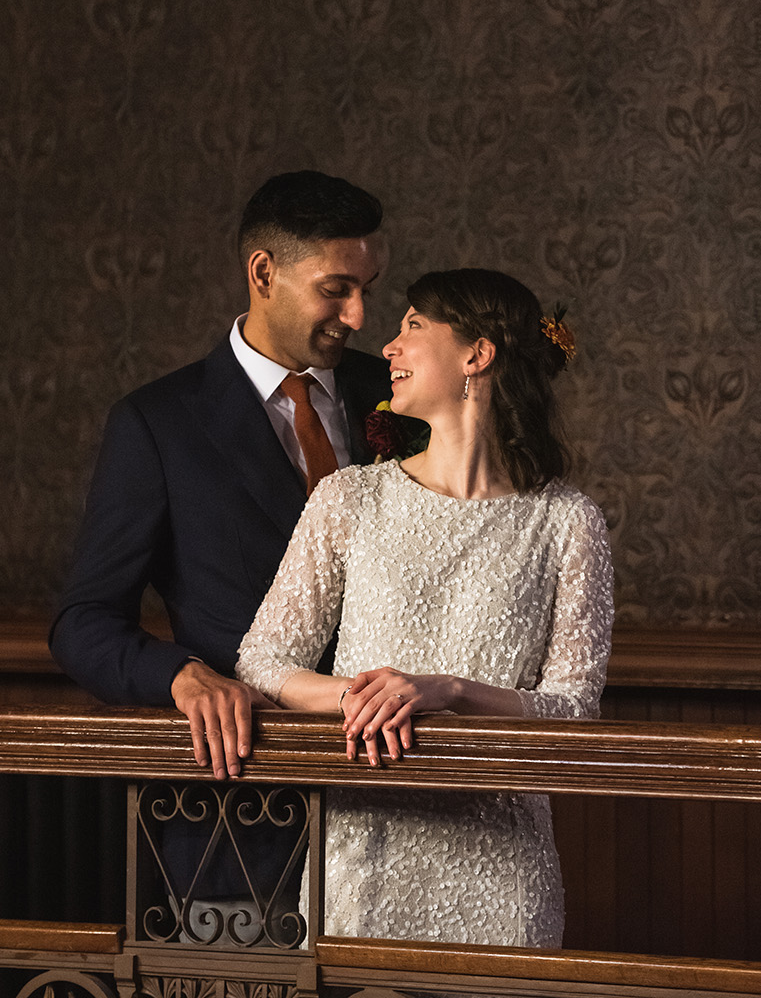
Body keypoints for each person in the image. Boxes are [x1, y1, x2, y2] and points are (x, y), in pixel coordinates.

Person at [237, 268, 614, 947]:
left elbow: (574, 712)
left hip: (503, 869)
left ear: (477, 354)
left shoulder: (567, 521)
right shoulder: (348, 499)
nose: (387, 346)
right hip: (360, 854)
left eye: (412, 326)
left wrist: (448, 691)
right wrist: (367, 697)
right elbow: (262, 661)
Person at [49, 169, 391, 782]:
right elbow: (84, 622)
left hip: (405, 787)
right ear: (263, 274)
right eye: (336, 289)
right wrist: (180, 674)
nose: (360, 315)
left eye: (368, 287)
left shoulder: (401, 398)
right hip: (248, 802)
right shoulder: (156, 424)